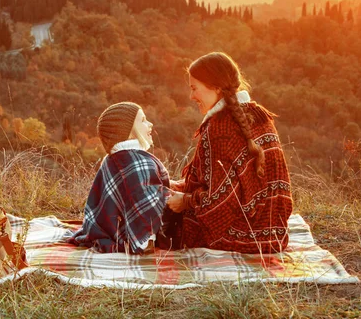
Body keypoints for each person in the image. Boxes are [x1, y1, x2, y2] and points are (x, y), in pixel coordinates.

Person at [167, 52, 293, 254]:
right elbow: (232, 187)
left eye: (194, 88)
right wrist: (179, 187)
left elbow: (219, 203)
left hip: (238, 236)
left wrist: (185, 201)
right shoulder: (259, 114)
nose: (191, 96)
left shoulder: (219, 128)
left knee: (167, 215)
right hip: (275, 234)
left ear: (215, 87)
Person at [68, 102, 171, 254]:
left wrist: (170, 186)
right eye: (143, 120)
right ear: (128, 131)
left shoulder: (114, 159)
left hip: (109, 227)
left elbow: (133, 190)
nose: (150, 124)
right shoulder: (138, 161)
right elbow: (148, 206)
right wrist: (174, 197)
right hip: (125, 234)